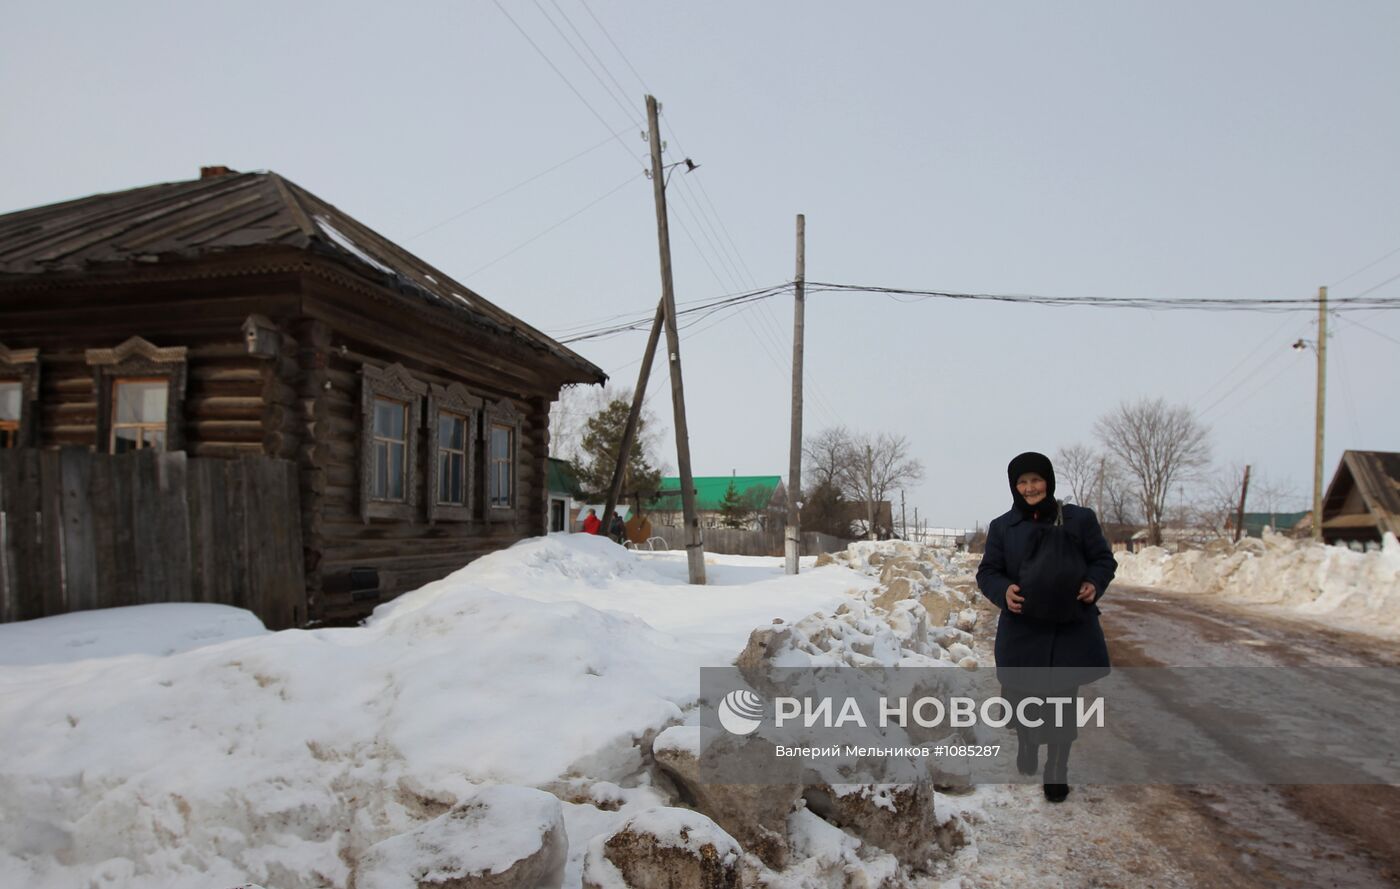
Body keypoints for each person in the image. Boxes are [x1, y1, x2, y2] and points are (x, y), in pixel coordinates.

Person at [976, 451, 1117, 803]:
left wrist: (1093, 583)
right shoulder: (1002, 527)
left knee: (1062, 702)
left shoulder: (1078, 520)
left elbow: (1103, 560)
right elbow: (988, 572)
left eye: (1036, 480)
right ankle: (1026, 740)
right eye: (1022, 482)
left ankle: (1057, 768)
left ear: (1049, 481)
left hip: (1067, 627)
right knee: (1023, 696)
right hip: (1023, 628)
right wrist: (1002, 591)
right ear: (1013, 486)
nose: (1029, 487)